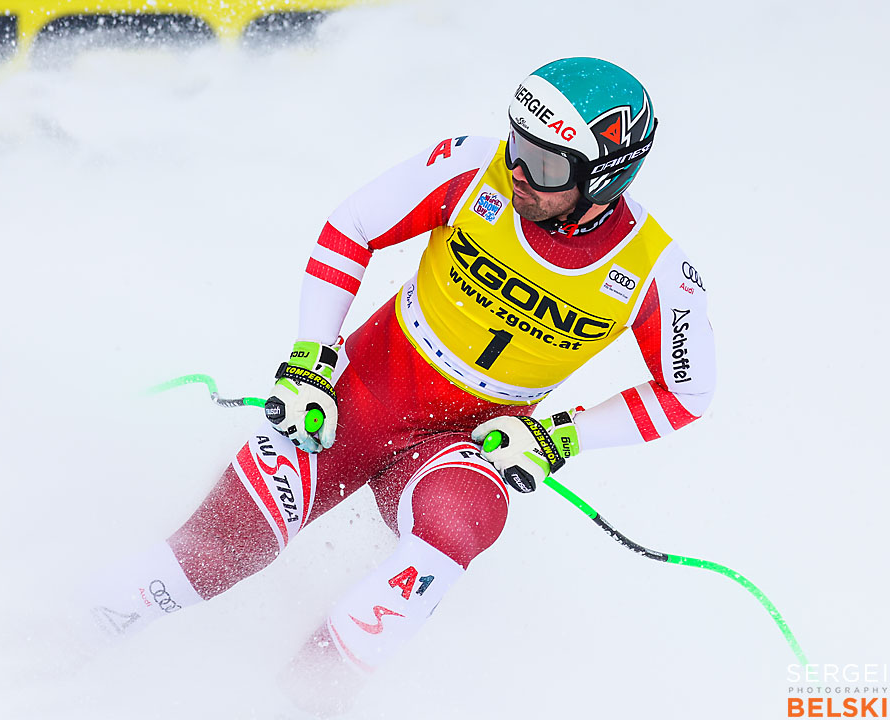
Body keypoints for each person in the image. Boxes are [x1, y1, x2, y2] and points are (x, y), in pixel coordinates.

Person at [83, 57, 715, 716]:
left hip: (460, 442)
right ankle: (56, 638)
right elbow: (352, 225)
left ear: (606, 178)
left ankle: (302, 700)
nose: (520, 173)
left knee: (464, 521)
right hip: (363, 394)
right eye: (518, 146)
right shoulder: (475, 169)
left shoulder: (656, 273)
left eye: (548, 165)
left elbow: (688, 391)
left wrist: (560, 438)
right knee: (218, 550)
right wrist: (311, 358)